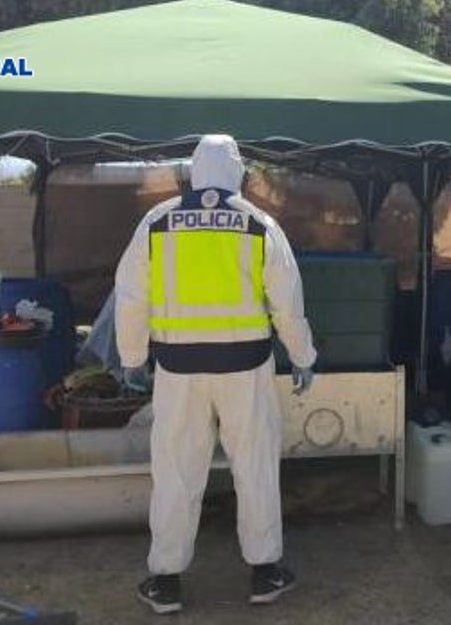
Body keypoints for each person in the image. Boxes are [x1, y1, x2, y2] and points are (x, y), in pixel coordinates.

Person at [115, 134, 317, 614]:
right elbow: (287, 302)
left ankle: (164, 581)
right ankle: (265, 573)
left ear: (191, 173)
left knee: (176, 471)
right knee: (255, 467)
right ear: (239, 173)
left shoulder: (157, 223)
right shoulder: (258, 223)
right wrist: (303, 356)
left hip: (178, 370)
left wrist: (130, 357)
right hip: (245, 367)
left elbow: (130, 296)